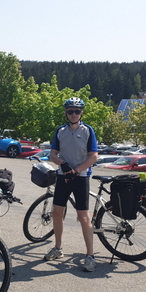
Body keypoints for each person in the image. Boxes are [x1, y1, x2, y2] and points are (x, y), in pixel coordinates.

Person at [45, 97, 99, 271]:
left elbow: (93, 156)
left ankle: (90, 255)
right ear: (66, 113)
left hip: (81, 178)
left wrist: (76, 170)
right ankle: (58, 248)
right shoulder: (60, 131)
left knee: (83, 217)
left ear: (81, 113)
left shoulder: (88, 130)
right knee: (56, 213)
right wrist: (62, 164)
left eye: (77, 111)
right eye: (70, 111)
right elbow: (53, 154)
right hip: (63, 177)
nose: (74, 114)